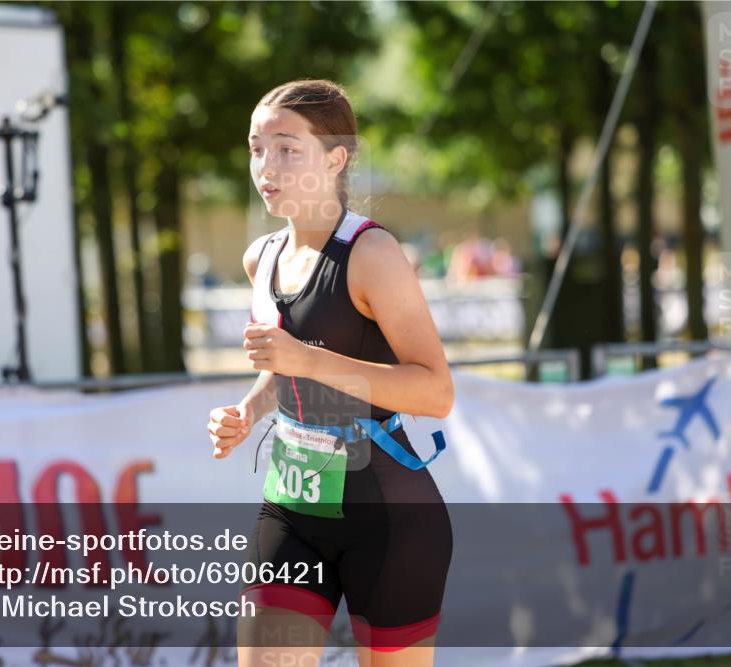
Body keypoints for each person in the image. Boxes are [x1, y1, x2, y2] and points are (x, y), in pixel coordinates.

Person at [206, 79, 454, 667]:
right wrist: (248, 409)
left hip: (388, 516)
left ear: (336, 158)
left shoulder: (372, 255)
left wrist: (306, 359)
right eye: (256, 147)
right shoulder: (259, 257)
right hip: (292, 506)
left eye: (288, 148)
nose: (267, 165)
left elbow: (435, 392)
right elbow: (285, 375)